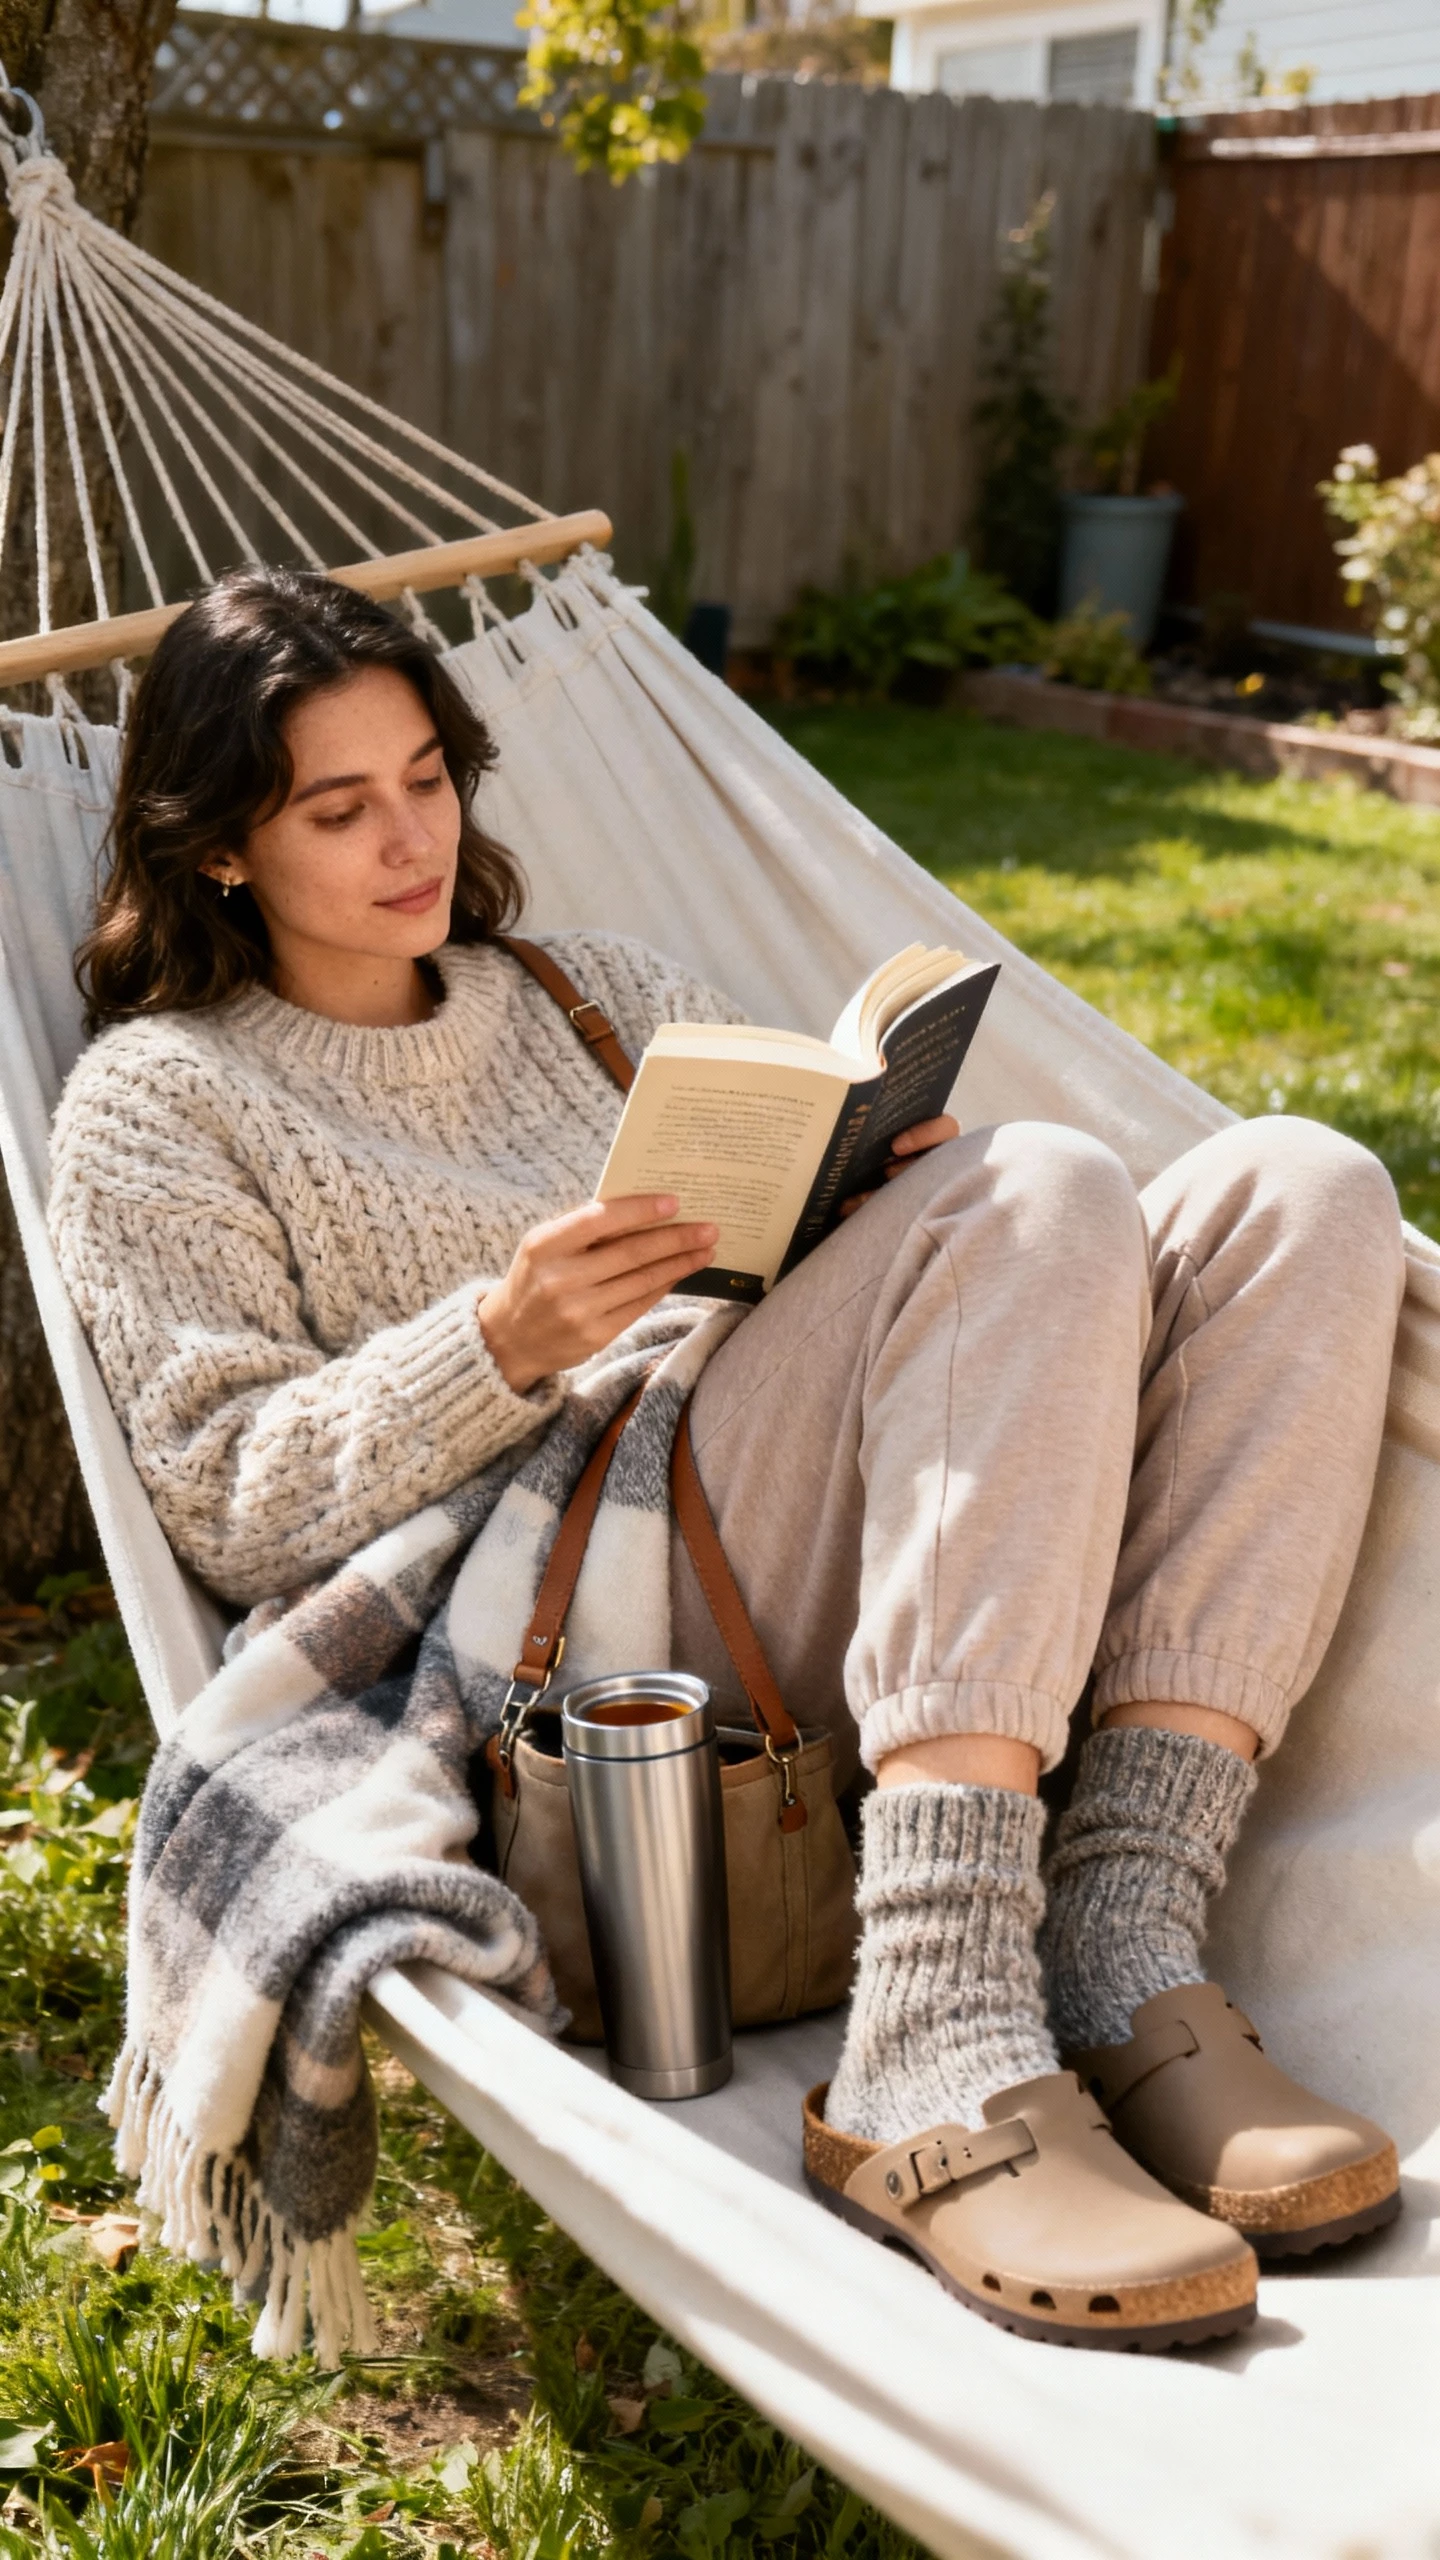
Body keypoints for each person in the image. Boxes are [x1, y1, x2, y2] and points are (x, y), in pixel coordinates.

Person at [49, 566, 1406, 2355]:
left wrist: (875, 1191)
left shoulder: (596, 994)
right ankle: (930, 2025)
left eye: (429, 779)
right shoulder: (161, 1099)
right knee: (1037, 1191)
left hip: (778, 1527)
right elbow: (227, 1501)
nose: (410, 837)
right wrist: (499, 1341)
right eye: (338, 806)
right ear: (221, 846)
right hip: (567, 1639)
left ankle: (1119, 1933)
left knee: (1303, 1187)